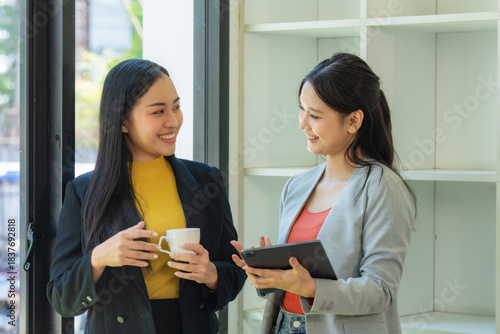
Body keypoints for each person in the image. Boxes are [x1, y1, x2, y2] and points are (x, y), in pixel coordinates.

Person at [47, 59, 246, 334]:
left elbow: (235, 270)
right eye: (158, 112)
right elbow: (62, 298)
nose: (173, 121)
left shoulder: (206, 181)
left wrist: (211, 273)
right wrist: (98, 257)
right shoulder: (84, 191)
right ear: (123, 122)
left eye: (176, 107)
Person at [232, 52, 416, 334]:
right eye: (302, 109)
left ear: (353, 121)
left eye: (315, 115)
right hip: (283, 325)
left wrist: (311, 287)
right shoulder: (297, 185)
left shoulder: (381, 185)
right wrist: (269, 275)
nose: (302, 123)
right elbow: (294, 282)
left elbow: (381, 289)